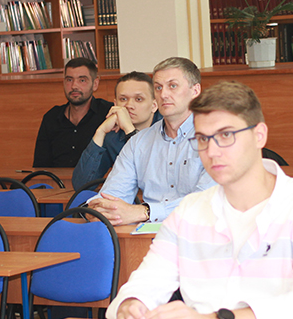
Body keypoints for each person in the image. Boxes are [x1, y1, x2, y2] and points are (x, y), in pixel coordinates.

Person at [107, 80, 293, 319]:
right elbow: (146, 282)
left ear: (259, 135)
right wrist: (132, 307)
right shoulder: (188, 211)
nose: (212, 151)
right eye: (202, 139)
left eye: (226, 135)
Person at [88, 57, 215, 225]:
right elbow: (111, 196)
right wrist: (100, 209)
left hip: (203, 233)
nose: (163, 94)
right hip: (147, 236)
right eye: (158, 87)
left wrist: (146, 212)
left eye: (173, 86)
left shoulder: (218, 138)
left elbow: (208, 202)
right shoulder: (138, 143)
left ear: (195, 90)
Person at [71, 71, 161, 192]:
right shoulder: (113, 135)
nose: (129, 105)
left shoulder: (168, 130)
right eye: (123, 99)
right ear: (115, 104)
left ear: (154, 105)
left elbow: (155, 181)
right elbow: (81, 185)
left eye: (138, 99)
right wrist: (100, 132)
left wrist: (129, 130)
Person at [33, 57, 113, 167]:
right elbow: (40, 166)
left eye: (82, 80)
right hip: (56, 178)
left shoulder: (108, 114)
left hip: (98, 178)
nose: (74, 86)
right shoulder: (51, 117)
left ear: (95, 84)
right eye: (69, 80)